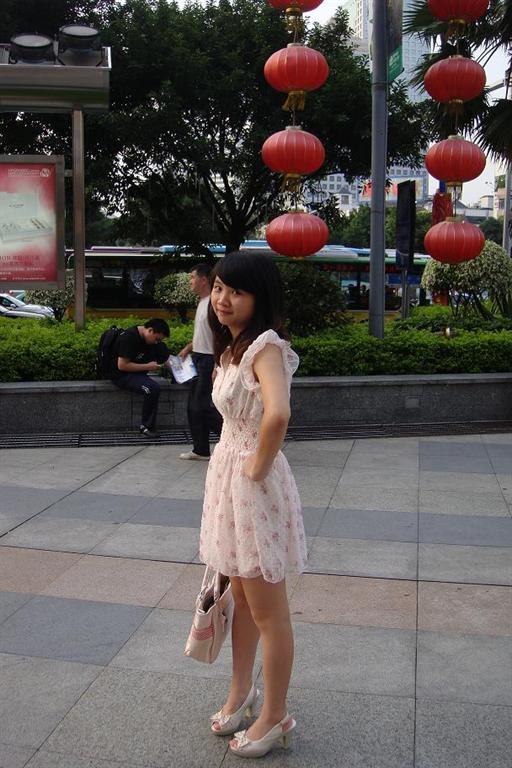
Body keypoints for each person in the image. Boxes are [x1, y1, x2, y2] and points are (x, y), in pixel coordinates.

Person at [198, 251, 307, 758]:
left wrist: (258, 467)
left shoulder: (265, 347)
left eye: (236, 291)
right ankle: (242, 692)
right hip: (231, 481)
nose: (223, 299)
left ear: (259, 298)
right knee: (241, 597)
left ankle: (274, 714)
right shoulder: (232, 348)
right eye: (219, 287)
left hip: (251, 487)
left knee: (268, 611)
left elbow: (278, 414)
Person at [178, 263, 223, 460]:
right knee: (193, 407)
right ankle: (201, 449)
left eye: (192, 277)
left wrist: (217, 364)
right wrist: (188, 348)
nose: (190, 281)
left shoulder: (214, 303)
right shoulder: (202, 302)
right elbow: (204, 335)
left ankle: (238, 439)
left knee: (202, 407)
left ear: (204, 280)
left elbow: (222, 336)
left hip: (209, 360)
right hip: (198, 358)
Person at [111, 318, 170, 438]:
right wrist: (148, 366)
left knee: (152, 386)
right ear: (150, 330)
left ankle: (148, 426)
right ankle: (146, 427)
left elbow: (166, 360)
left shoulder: (152, 341)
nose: (156, 342)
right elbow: (122, 365)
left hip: (138, 373)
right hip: (121, 375)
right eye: (157, 339)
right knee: (152, 388)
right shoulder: (129, 338)